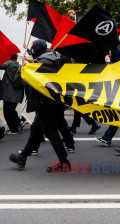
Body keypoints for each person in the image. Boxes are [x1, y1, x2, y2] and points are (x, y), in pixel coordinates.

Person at [9, 40, 74, 172]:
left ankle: (64, 163)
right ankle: (22, 157)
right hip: (53, 102)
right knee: (35, 130)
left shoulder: (42, 63)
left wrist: (26, 69)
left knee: (51, 133)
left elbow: (31, 82)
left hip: (44, 104)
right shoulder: (51, 59)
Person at [0, 53, 26, 134]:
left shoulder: (8, 64)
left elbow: (1, 65)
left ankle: (13, 130)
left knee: (7, 112)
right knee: (11, 110)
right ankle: (17, 125)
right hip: (17, 92)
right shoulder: (19, 65)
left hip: (9, 93)